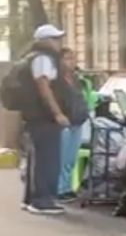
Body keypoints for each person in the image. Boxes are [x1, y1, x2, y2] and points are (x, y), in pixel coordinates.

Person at [19, 25, 70, 215]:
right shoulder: (43, 59)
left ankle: (32, 199)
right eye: (55, 39)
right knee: (47, 159)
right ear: (44, 41)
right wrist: (57, 113)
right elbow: (44, 87)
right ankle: (42, 201)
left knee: (38, 158)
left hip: (36, 117)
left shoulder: (34, 57)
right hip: (43, 117)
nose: (59, 43)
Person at [57, 49, 92, 201]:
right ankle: (59, 189)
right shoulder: (55, 80)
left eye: (73, 58)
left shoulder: (78, 79)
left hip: (77, 121)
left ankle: (67, 187)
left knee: (70, 158)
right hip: (63, 123)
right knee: (62, 157)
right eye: (67, 58)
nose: (71, 62)